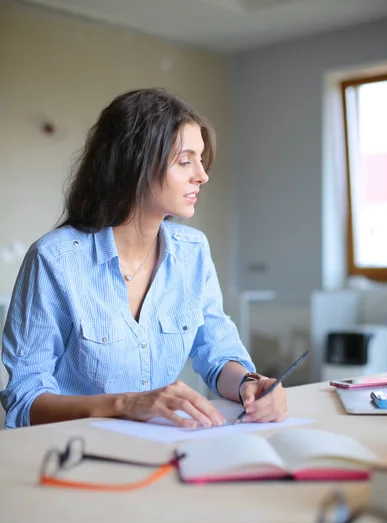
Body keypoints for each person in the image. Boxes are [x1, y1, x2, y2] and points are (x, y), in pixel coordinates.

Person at [0, 88, 287, 429]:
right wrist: (126, 404)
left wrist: (250, 385)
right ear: (135, 164)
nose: (203, 175)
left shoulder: (193, 251)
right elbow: (25, 399)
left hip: (162, 449)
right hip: (74, 456)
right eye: (185, 161)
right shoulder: (54, 260)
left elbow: (217, 353)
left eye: (200, 159)